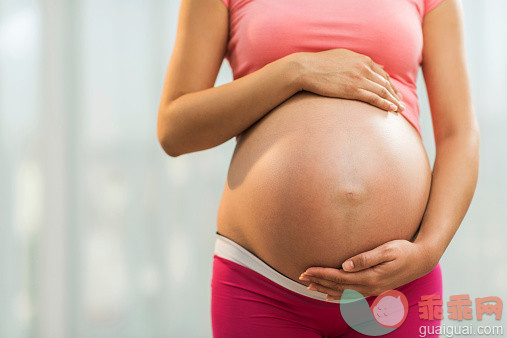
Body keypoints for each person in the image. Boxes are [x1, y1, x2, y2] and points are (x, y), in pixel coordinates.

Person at [157, 0, 479, 336]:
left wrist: (427, 251)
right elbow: (174, 130)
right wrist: (296, 70)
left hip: (398, 284)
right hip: (262, 286)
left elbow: (459, 134)